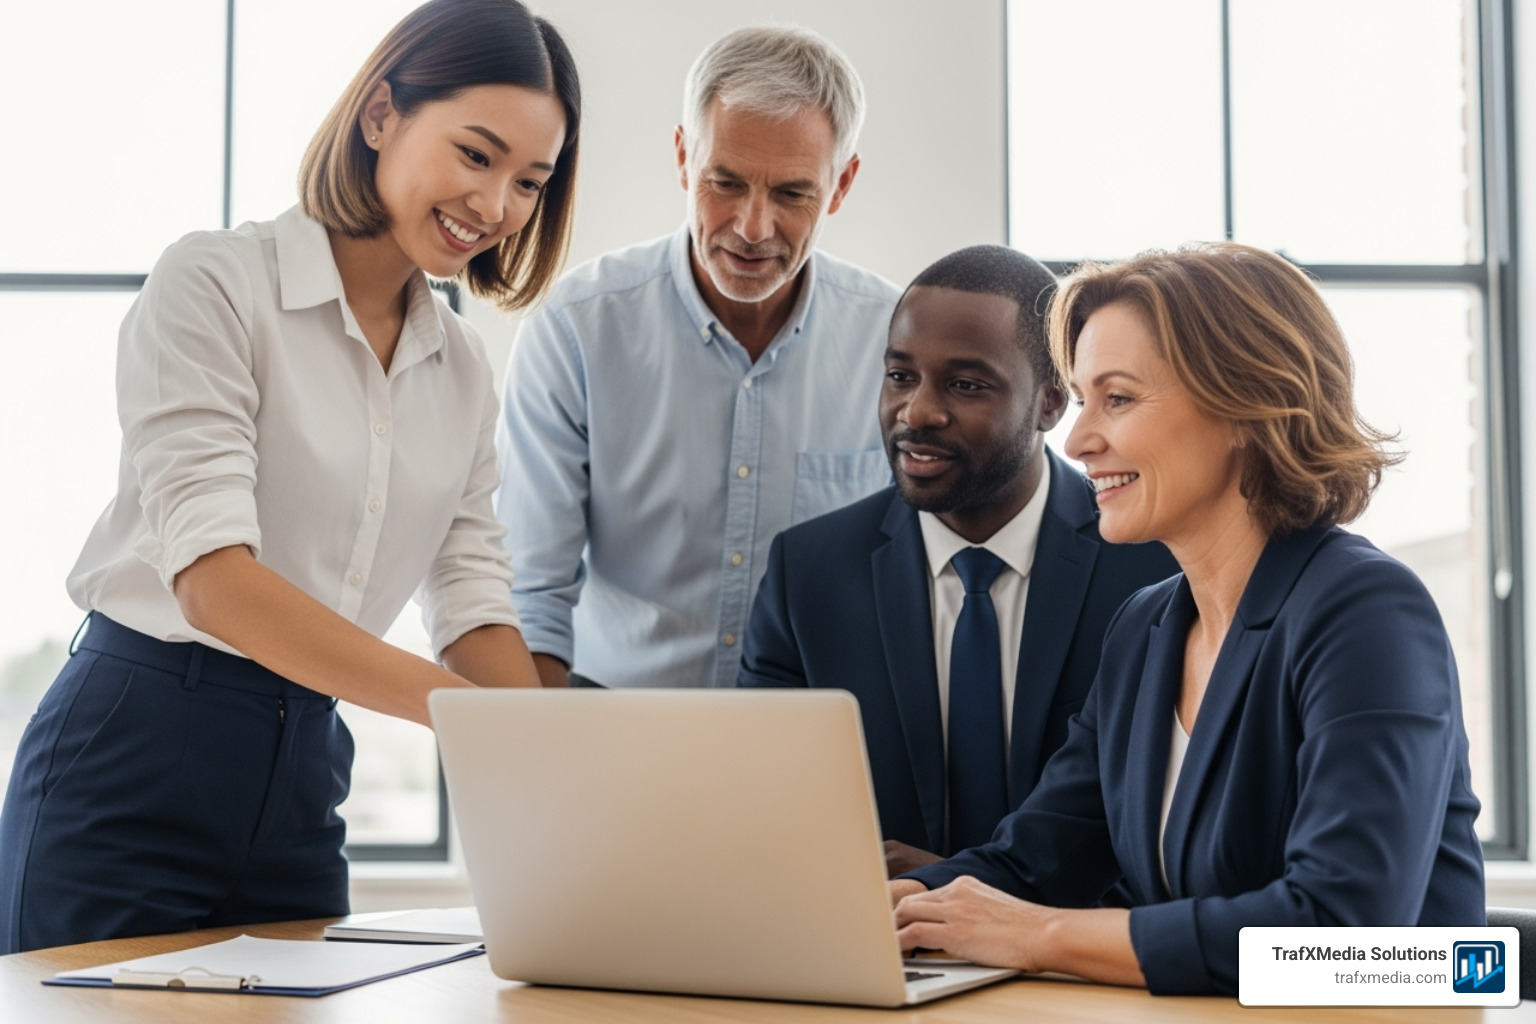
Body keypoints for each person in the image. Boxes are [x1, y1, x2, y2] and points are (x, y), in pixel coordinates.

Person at [0, 0, 580, 954]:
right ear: (382, 114)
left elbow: (472, 592)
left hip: (305, 773)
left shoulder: (465, 368)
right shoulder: (215, 285)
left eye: (530, 181)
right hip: (132, 756)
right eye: (476, 155)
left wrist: (549, 755)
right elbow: (214, 581)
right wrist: (472, 719)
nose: (497, 206)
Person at [888, 243, 1486, 995]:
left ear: (1244, 408)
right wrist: (892, 909)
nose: (1076, 442)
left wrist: (1043, 936)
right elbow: (1035, 858)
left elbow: (1345, 933)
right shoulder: (1145, 630)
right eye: (1080, 400)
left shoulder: (1367, 612)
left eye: (1120, 399)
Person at [738, 246, 1176, 876]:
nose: (917, 412)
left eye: (966, 385)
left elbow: (1164, 825)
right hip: (889, 949)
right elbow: (763, 811)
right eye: (900, 376)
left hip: (1080, 954)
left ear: (1052, 402)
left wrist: (968, 885)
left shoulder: (1151, 567)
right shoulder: (807, 573)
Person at [496, 26, 900, 690]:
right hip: (617, 725)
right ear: (684, 158)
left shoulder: (895, 347)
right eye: (726, 181)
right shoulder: (577, 331)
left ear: (841, 184)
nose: (752, 226)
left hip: (811, 736)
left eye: (793, 193)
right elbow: (531, 595)